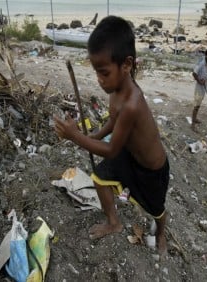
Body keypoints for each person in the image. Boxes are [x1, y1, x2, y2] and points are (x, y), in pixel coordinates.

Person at [53, 15, 170, 254]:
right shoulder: (116, 91)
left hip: (151, 168)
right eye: (96, 72)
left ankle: (161, 234)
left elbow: (112, 149)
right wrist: (92, 136)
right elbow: (112, 126)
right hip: (129, 154)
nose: (99, 79)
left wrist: (76, 137)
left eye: (104, 73)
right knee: (99, 177)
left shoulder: (132, 104)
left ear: (126, 65)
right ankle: (113, 222)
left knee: (156, 210)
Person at [191, 47, 207, 132]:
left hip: (204, 87)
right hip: (199, 87)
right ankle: (192, 125)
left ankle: (195, 119)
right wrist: (200, 81)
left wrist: (204, 80)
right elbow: (194, 73)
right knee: (196, 106)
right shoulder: (201, 63)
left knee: (199, 104)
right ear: (206, 55)